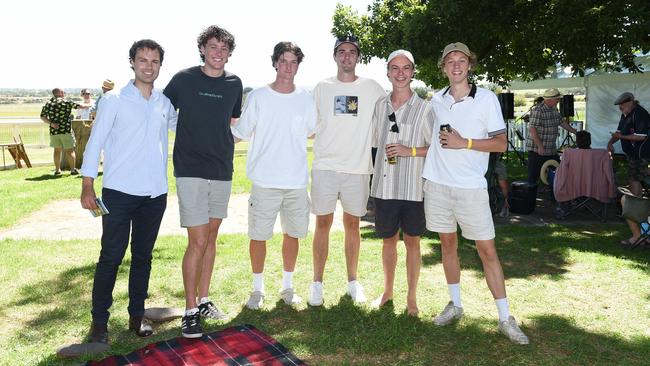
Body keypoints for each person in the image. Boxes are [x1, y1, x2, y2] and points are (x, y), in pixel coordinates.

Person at [423, 42, 529, 344]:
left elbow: (500, 144)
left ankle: (505, 318)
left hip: (470, 188)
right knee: (447, 245)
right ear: (443, 67)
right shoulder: (436, 100)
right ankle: (455, 304)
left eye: (462, 60)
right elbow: (429, 139)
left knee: (487, 251)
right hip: (438, 185)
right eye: (450, 61)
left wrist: (464, 142)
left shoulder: (486, 99)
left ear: (470, 65)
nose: (456, 66)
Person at [80, 39, 177, 344]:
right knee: (110, 257)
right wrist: (87, 184)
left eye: (155, 61)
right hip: (118, 194)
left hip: (155, 195)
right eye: (143, 60)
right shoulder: (113, 101)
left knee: (143, 257)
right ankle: (99, 323)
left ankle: (137, 316)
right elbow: (95, 142)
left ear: (161, 66)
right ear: (132, 63)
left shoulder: (164, 103)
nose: (149, 66)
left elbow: (187, 128)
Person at [163, 25, 243, 338]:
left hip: (222, 169)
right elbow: (160, 112)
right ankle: (189, 310)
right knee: (196, 241)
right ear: (202, 50)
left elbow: (232, 120)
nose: (218, 53)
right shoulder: (183, 79)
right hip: (191, 169)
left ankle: (205, 299)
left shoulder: (235, 83)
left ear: (229, 53)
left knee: (210, 237)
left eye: (224, 49)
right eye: (213, 47)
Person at [231, 42, 316, 310]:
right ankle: (258, 290)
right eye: (284, 61)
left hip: (296, 182)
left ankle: (288, 287)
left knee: (293, 235)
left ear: (298, 66)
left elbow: (313, 131)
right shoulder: (257, 97)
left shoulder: (306, 98)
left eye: (294, 62)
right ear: (275, 63)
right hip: (264, 181)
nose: (288, 67)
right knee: (259, 236)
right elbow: (240, 133)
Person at [309, 34, 386, 306]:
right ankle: (316, 283)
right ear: (334, 56)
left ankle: (353, 281)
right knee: (322, 224)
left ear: (358, 57)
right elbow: (309, 125)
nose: (346, 56)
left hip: (358, 168)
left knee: (352, 225)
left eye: (352, 51)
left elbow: (390, 117)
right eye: (341, 51)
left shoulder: (372, 88)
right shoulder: (321, 87)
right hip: (325, 167)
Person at [369, 50, 433, 316]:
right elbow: (374, 145)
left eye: (406, 68)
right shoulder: (380, 106)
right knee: (387, 241)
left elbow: (439, 149)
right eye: (394, 68)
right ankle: (387, 291)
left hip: (412, 188)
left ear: (413, 72)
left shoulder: (425, 108)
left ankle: (412, 298)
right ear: (387, 72)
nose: (400, 73)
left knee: (413, 242)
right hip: (384, 187)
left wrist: (411, 151)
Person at [607, 92, 650, 245]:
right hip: (633, 156)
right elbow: (619, 131)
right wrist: (611, 142)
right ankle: (635, 217)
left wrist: (622, 138)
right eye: (619, 106)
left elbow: (641, 136)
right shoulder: (626, 115)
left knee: (637, 186)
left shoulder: (640, 114)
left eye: (623, 105)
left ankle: (638, 219)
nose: (620, 108)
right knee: (633, 186)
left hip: (642, 157)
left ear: (631, 102)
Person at [526, 88, 577, 184]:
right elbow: (533, 129)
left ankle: (554, 194)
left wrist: (575, 132)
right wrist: (540, 146)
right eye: (557, 99)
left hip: (550, 149)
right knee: (533, 176)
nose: (559, 101)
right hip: (537, 150)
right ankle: (529, 197)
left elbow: (561, 122)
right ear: (550, 99)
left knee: (556, 172)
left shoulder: (554, 109)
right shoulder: (538, 110)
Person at [40, 88, 81, 175]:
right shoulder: (66, 102)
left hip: (54, 131)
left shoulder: (48, 103)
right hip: (66, 130)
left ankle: (57, 170)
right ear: (61, 93)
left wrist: (51, 124)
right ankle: (73, 170)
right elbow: (79, 106)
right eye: (63, 92)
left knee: (57, 151)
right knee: (70, 151)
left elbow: (42, 117)